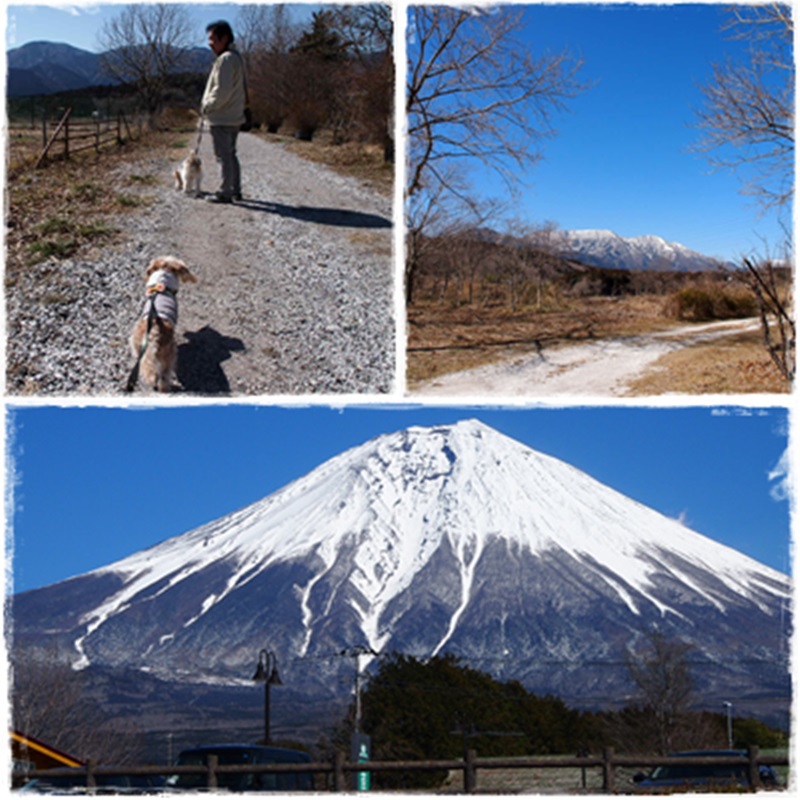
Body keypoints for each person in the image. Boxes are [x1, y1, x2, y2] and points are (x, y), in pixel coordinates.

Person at [201, 21, 246, 203]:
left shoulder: (226, 59)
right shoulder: (234, 57)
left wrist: (207, 106)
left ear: (224, 38)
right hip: (232, 116)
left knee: (223, 156)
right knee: (230, 154)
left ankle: (225, 192)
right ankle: (235, 189)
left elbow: (222, 90)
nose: (210, 43)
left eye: (213, 39)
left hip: (222, 116)